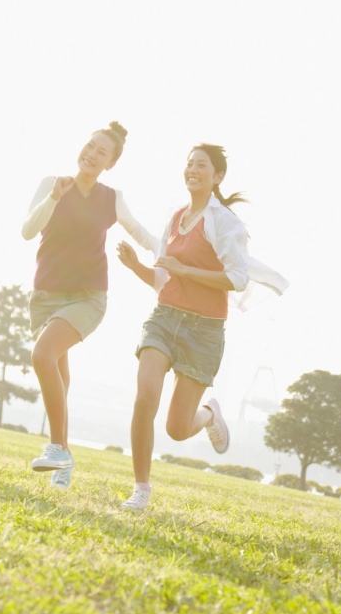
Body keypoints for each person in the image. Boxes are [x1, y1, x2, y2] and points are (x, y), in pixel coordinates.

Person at [117, 143, 288, 510]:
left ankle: (209, 415)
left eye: (201, 165)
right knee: (145, 396)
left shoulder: (226, 223)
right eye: (189, 163)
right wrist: (136, 266)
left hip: (205, 330)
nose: (192, 169)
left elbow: (238, 279)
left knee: (177, 430)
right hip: (165, 318)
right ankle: (141, 489)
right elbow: (163, 279)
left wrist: (186, 271)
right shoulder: (175, 216)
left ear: (217, 177)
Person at [22, 122, 157, 488]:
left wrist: (165, 252)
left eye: (102, 152)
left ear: (110, 163)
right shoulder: (53, 182)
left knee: (42, 356)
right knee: (58, 372)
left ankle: (55, 446)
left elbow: (138, 230)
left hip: (87, 297)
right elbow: (28, 231)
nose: (92, 154)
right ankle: (63, 457)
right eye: (90, 145)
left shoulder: (111, 198)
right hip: (45, 295)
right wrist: (53, 197)